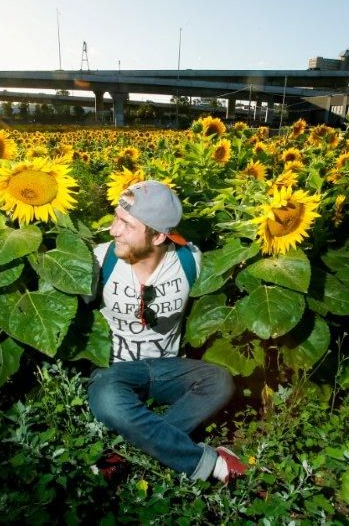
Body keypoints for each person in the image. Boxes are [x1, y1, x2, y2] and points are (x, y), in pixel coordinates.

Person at [87, 180, 247, 484]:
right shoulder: (100, 259)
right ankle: (209, 464)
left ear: (159, 235)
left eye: (126, 224)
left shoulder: (190, 261)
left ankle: (121, 456)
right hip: (115, 370)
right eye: (115, 217)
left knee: (220, 380)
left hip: (167, 369)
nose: (113, 230)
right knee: (106, 395)